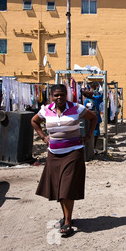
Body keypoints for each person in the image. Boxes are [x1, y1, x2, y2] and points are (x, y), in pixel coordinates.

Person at [31, 84, 97, 237]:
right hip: (54, 154)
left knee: (66, 187)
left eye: (62, 95)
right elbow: (34, 121)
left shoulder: (76, 108)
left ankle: (67, 222)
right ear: (51, 96)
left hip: (73, 153)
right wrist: (43, 137)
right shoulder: (46, 110)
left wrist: (88, 136)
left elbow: (93, 118)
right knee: (59, 187)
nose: (59, 98)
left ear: (66, 95)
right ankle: (67, 217)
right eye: (56, 95)